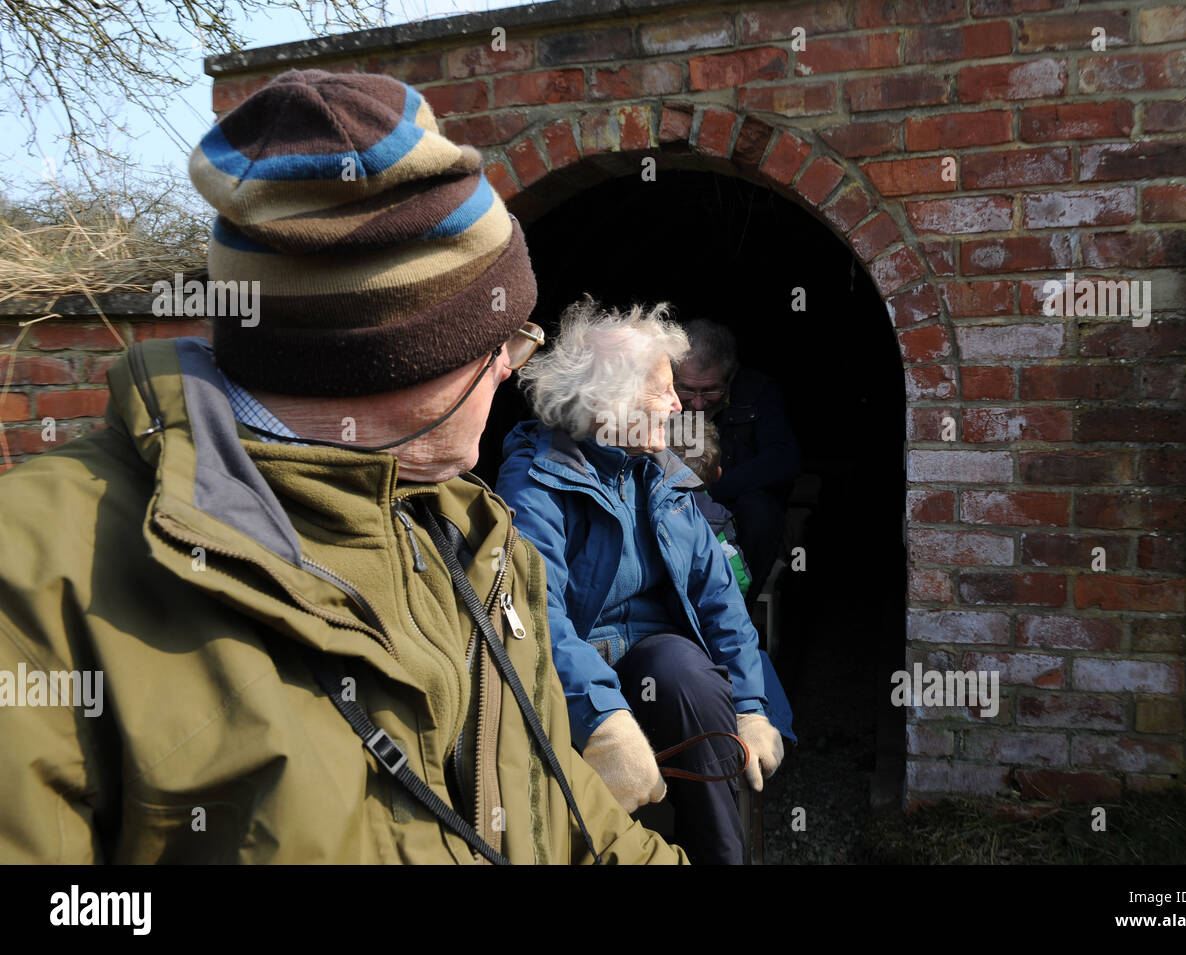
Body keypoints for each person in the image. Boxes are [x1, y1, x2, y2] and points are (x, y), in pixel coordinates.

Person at [0, 70, 685, 865]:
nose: (510, 370)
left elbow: (552, 803)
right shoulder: (35, 586)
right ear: (390, 368)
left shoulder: (475, 534)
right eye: (496, 345)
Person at [495, 297, 785, 865]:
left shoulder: (662, 476)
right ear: (609, 402)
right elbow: (536, 616)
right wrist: (602, 722)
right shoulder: (534, 486)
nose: (679, 404)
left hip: (664, 672)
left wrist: (751, 706)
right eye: (662, 388)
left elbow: (720, 601)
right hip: (580, 673)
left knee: (678, 668)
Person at [676, 319, 801, 597]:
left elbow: (783, 460)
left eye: (710, 390)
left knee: (760, 511)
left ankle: (737, 608)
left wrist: (710, 489)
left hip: (738, 507)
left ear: (731, 375)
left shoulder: (759, 391)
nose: (697, 404)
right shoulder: (661, 394)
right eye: (687, 389)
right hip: (678, 504)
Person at [667, 416, 753, 598]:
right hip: (703, 616)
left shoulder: (642, 508)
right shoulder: (715, 520)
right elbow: (738, 580)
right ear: (718, 474)